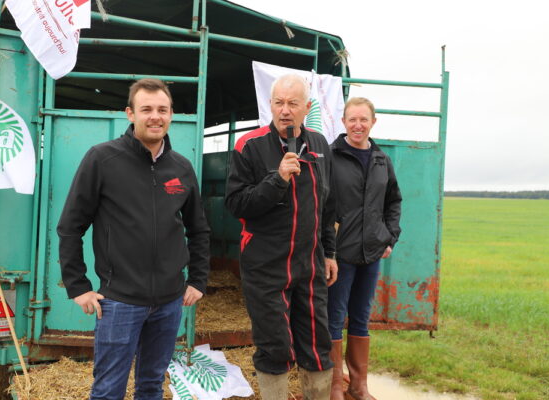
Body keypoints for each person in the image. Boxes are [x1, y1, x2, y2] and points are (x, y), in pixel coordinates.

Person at [57, 78, 210, 400]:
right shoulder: (102, 159)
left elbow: (198, 229)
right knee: (109, 390)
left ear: (171, 115)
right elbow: (71, 225)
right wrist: (78, 287)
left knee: (152, 386)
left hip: (170, 301)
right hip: (119, 301)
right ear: (130, 113)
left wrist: (197, 279)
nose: (155, 116)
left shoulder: (181, 167)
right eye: (147, 109)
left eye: (162, 110)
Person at [225, 74, 338, 400]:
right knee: (275, 346)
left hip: (311, 265)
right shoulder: (250, 146)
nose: (285, 110)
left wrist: (329, 253)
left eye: (292, 103)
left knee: (317, 345)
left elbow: (327, 207)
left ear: (307, 107)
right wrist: (277, 179)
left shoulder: (319, 146)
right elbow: (237, 204)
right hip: (266, 266)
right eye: (278, 103)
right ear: (270, 105)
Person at [327, 97, 402, 400]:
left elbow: (393, 201)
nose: (358, 125)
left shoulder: (381, 159)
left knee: (361, 316)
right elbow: (321, 205)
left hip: (371, 252)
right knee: (334, 317)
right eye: (352, 119)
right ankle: (334, 387)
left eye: (364, 119)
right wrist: (326, 248)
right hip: (339, 254)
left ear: (373, 122)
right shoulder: (330, 157)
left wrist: (389, 237)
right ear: (343, 122)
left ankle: (359, 386)